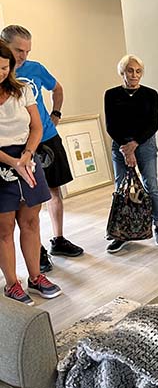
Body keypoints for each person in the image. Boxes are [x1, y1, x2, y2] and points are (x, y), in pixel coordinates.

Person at [1, 25, 84, 274]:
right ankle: (36, 254)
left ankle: (58, 240)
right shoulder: (5, 74)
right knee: (22, 203)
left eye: (27, 51)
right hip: (16, 146)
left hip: (46, 137)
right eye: (18, 50)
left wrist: (55, 114)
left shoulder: (35, 69)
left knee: (53, 191)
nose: (23, 56)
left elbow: (57, 89)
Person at [0, 40, 62, 305]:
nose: (1, 73)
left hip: (27, 157)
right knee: (4, 229)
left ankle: (36, 277)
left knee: (31, 222)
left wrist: (26, 155)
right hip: (2, 161)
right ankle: (12, 284)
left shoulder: (22, 90)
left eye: (4, 68)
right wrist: (13, 162)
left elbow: (36, 126)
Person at [104, 54, 158, 253]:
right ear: (122, 72)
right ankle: (122, 233)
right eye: (130, 70)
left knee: (151, 186)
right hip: (120, 146)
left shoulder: (151, 94)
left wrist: (134, 144)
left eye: (138, 71)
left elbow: (153, 124)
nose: (134, 75)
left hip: (145, 144)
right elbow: (111, 125)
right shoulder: (111, 95)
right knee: (121, 189)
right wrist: (126, 147)